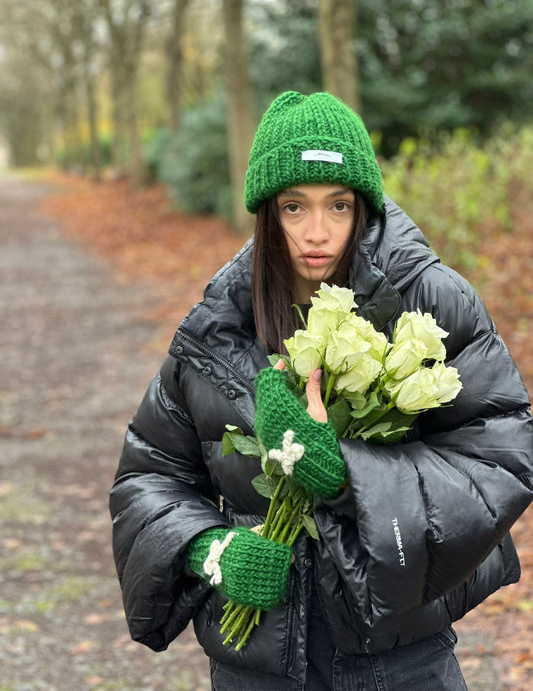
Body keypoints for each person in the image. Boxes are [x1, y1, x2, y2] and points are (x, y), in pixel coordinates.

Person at [109, 91, 533, 690]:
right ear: (267, 212)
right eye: (293, 207)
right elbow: (149, 474)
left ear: (363, 203)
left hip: (398, 658)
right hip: (257, 664)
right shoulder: (219, 325)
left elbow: (498, 457)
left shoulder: (429, 300)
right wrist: (211, 550)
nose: (317, 232)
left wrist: (345, 476)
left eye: (338, 205)